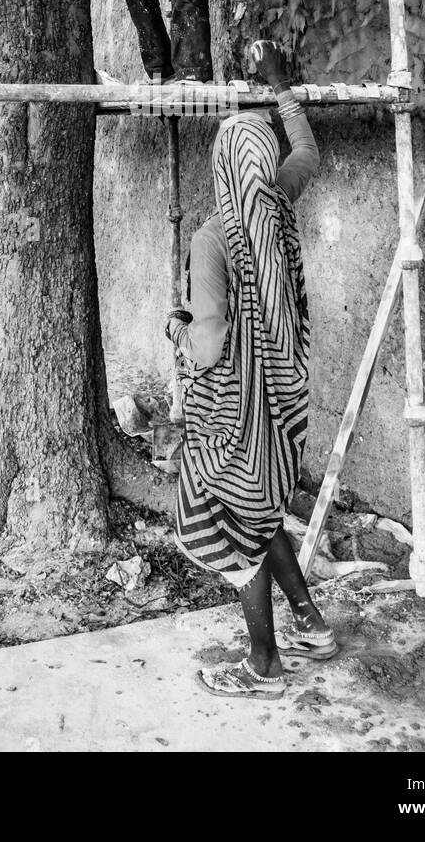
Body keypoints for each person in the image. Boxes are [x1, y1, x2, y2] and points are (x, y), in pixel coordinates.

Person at [164, 40, 338, 698]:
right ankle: (311, 625)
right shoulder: (277, 207)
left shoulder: (211, 240)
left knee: (236, 528)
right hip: (282, 408)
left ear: (218, 166)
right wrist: (281, 90)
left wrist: (178, 329)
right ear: (260, 167)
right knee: (263, 514)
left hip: (229, 417)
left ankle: (263, 665)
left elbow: (206, 350)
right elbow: (307, 156)